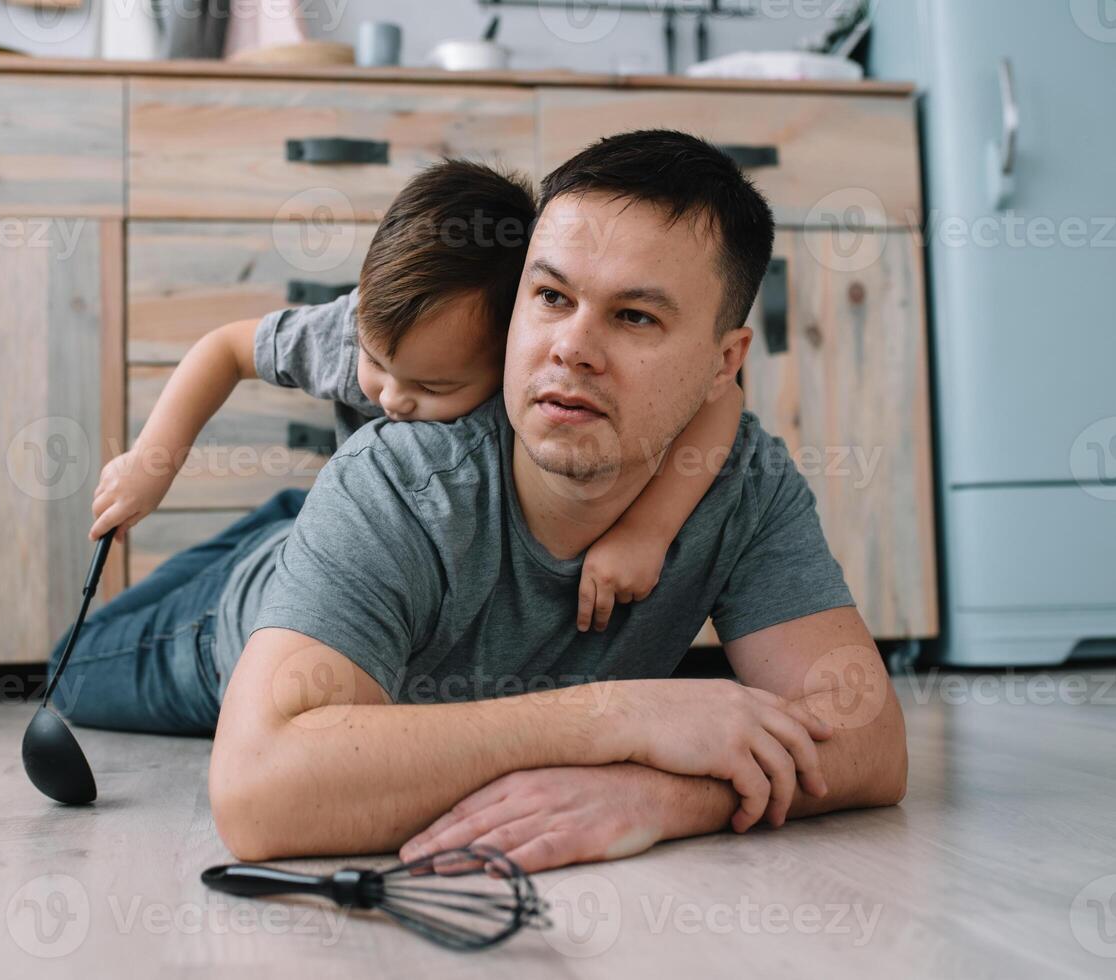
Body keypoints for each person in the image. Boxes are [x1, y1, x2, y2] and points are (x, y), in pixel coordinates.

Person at [53, 131, 908, 873]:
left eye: (637, 318)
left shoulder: (743, 483)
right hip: (234, 619)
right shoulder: (402, 473)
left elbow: (869, 742)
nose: (571, 348)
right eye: (551, 296)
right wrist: (624, 715)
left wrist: (659, 797)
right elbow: (259, 793)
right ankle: (289, 545)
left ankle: (304, 534)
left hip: (363, 546)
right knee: (74, 670)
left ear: (726, 362)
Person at [87, 159, 744, 638]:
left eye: (433, 388)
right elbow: (228, 348)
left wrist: (647, 532)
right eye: (377, 366)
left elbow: (722, 402)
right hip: (316, 524)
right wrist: (153, 461)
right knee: (124, 618)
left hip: (341, 533)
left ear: (510, 344)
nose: (393, 398)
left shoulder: (532, 370)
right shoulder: (353, 334)